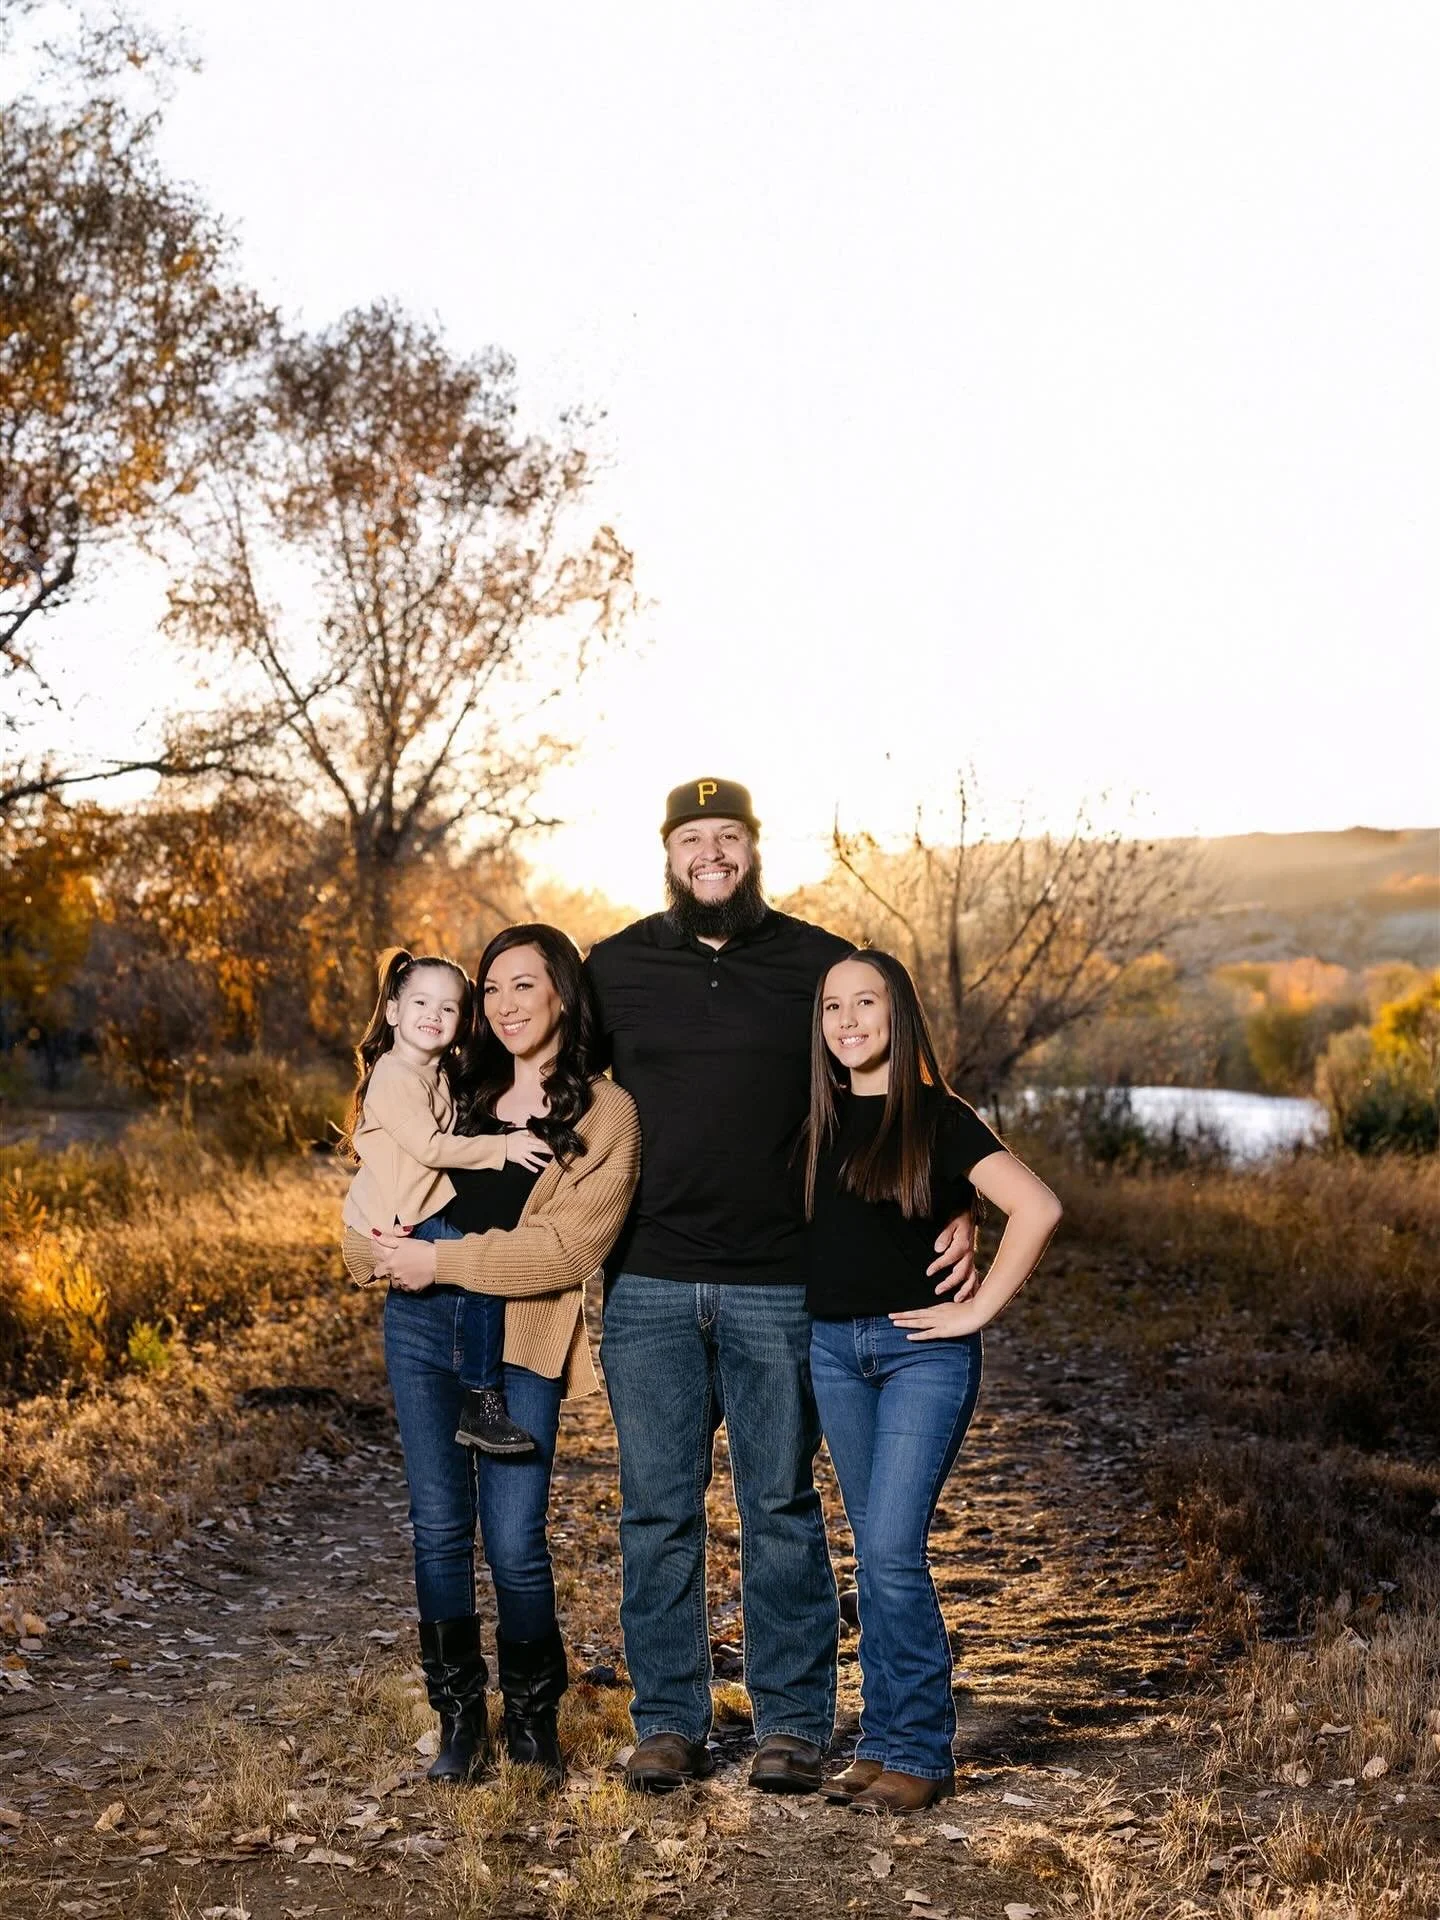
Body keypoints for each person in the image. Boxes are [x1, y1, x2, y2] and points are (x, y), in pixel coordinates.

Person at [586, 779, 978, 1795]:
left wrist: (959, 1202)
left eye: (729, 836)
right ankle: (668, 1722)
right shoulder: (614, 967)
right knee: (656, 1513)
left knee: (781, 1506)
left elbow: (900, 1082)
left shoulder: (818, 964)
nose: (711, 853)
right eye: (692, 839)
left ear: (754, 847)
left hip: (781, 1284)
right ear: (668, 852)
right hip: (648, 1281)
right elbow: (547, 1087)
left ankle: (794, 1725)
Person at [344, 925, 641, 1790]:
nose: (506, 1005)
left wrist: (440, 1261)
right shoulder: (455, 1085)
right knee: (439, 1530)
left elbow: (566, 1253)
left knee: (514, 1540)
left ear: (563, 995)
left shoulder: (605, 1113)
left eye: (525, 985)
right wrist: (372, 1247)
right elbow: (379, 1178)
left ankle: (534, 1723)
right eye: (494, 988)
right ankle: (459, 1721)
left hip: (521, 1336)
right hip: (418, 1327)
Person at [803, 949, 1062, 1814]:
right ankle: (880, 1742)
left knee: (890, 1551)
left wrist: (977, 1309)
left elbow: (1039, 1206)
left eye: (865, 1002)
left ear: (899, 1013)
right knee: (873, 1552)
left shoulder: (939, 1117)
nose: (848, 1021)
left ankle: (920, 1750)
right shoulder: (815, 1116)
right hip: (834, 1353)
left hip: (922, 1355)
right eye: (833, 1006)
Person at [342, 947, 551, 1455]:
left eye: (448, 1007)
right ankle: (482, 1398)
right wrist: (504, 1148)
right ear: (393, 1012)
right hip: (399, 1217)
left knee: (478, 1262)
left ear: (462, 1023)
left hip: (416, 1208)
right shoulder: (394, 1076)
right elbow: (431, 1148)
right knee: (483, 1271)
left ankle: (476, 1391)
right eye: (420, 1003)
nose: (433, 1015)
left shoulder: (436, 1073)